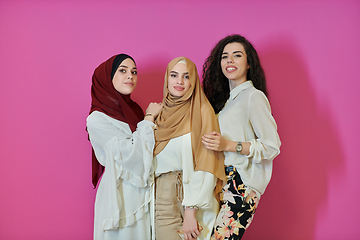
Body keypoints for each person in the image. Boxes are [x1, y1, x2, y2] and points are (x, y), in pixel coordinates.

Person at [201, 34, 281, 240]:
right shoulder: (226, 103)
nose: (230, 60)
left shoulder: (253, 96)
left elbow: (272, 146)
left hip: (241, 182)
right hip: (221, 179)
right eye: (224, 56)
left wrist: (228, 145)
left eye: (237, 55)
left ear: (248, 64)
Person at [86, 54, 162, 240]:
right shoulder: (96, 119)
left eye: (134, 72)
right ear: (107, 78)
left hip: (142, 192)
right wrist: (149, 119)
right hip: (119, 197)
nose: (130, 76)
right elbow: (129, 154)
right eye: (123, 71)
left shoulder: (135, 111)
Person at [153, 57, 226, 240]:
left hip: (191, 196)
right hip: (161, 195)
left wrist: (190, 211)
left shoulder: (202, 111)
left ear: (193, 81)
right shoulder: (159, 115)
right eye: (174, 75)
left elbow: (207, 162)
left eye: (186, 76)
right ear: (167, 79)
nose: (179, 81)